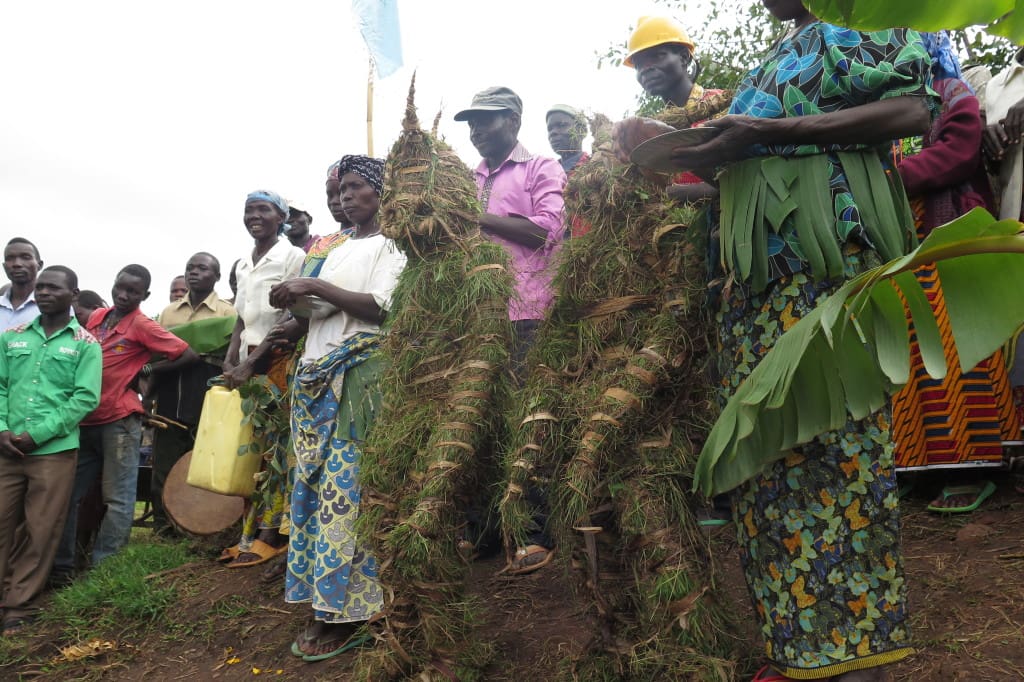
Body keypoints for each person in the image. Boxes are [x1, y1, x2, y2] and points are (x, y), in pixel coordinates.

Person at [618, 2, 933, 679]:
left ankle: (857, 657)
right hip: (758, 286)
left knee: (832, 452)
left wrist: (763, 130)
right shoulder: (776, 54)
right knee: (771, 461)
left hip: (821, 271)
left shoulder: (859, 26)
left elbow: (913, 112)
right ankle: (800, 650)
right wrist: (675, 167)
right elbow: (753, 164)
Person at [268, 154, 405, 660]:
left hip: (361, 377)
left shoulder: (396, 244)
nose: (345, 197)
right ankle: (320, 603)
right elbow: (316, 312)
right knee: (313, 490)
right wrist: (295, 304)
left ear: (380, 192)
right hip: (316, 375)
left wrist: (313, 285)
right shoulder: (336, 246)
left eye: (355, 187)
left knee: (347, 493)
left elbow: (379, 308)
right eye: (340, 189)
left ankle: (353, 611)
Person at [890, 33, 1018, 511]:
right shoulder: (887, 101)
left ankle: (968, 464)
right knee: (905, 348)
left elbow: (961, 151)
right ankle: (915, 463)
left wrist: (889, 182)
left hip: (949, 232)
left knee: (955, 344)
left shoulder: (952, 93)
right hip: (899, 238)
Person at [454, 86, 566, 572]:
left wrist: (477, 217)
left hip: (528, 310)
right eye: (471, 124)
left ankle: (534, 532)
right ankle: (481, 532)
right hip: (476, 317)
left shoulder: (541, 167)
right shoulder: (467, 179)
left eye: (486, 121)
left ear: (514, 121)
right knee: (478, 420)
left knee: (526, 419)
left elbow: (547, 230)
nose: (476, 131)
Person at [53, 265, 198, 581]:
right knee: (70, 495)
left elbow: (187, 354)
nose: (123, 294)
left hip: (120, 419)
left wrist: (146, 371)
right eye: (120, 287)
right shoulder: (97, 318)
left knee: (118, 498)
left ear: (144, 295)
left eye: (132, 291)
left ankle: (103, 569)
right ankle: (61, 567)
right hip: (86, 418)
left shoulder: (143, 325)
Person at [0, 266, 101, 636]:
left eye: (53, 288)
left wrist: (37, 434)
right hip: (6, 449)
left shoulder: (86, 345)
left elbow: (84, 399)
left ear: (73, 295)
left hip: (53, 452)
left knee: (41, 529)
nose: (43, 292)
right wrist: (2, 429)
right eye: (40, 287)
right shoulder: (10, 337)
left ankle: (18, 604)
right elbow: (0, 386)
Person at [220, 190, 304, 568]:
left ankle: (272, 535)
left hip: (277, 362)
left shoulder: (292, 256)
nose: (255, 216)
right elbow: (241, 319)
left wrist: (251, 362)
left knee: (277, 450)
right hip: (246, 366)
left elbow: (290, 320)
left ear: (281, 217)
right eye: (249, 210)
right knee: (251, 449)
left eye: (263, 210)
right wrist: (229, 359)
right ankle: (247, 534)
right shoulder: (242, 263)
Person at [149, 253, 236, 535]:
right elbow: (158, 353)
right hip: (171, 388)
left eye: (202, 268)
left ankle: (203, 528)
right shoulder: (168, 312)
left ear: (217, 276)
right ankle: (163, 527)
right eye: (190, 268)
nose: (194, 273)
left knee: (203, 459)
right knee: (165, 457)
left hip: (208, 391)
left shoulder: (227, 312)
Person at [0, 238, 43, 330]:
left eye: (25, 257)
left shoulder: (56, 308)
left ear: (39, 265)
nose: (17, 264)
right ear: (4, 266)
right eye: (10, 258)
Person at [546, 104, 590, 174]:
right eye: (549, 129)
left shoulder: (596, 168)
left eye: (562, 125)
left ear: (582, 131)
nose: (553, 132)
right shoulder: (545, 172)